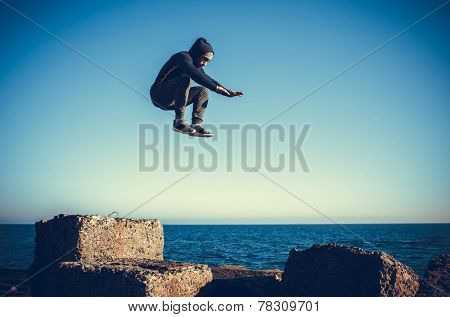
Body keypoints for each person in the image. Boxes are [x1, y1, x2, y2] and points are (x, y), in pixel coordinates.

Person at [150, 38, 243, 137]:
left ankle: (196, 125)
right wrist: (215, 88)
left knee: (203, 90)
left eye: (208, 61)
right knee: (185, 80)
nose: (205, 64)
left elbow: (208, 79)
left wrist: (227, 92)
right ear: (197, 54)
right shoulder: (182, 57)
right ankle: (179, 121)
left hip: (172, 101)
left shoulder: (197, 67)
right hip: (158, 94)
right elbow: (192, 72)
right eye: (204, 59)